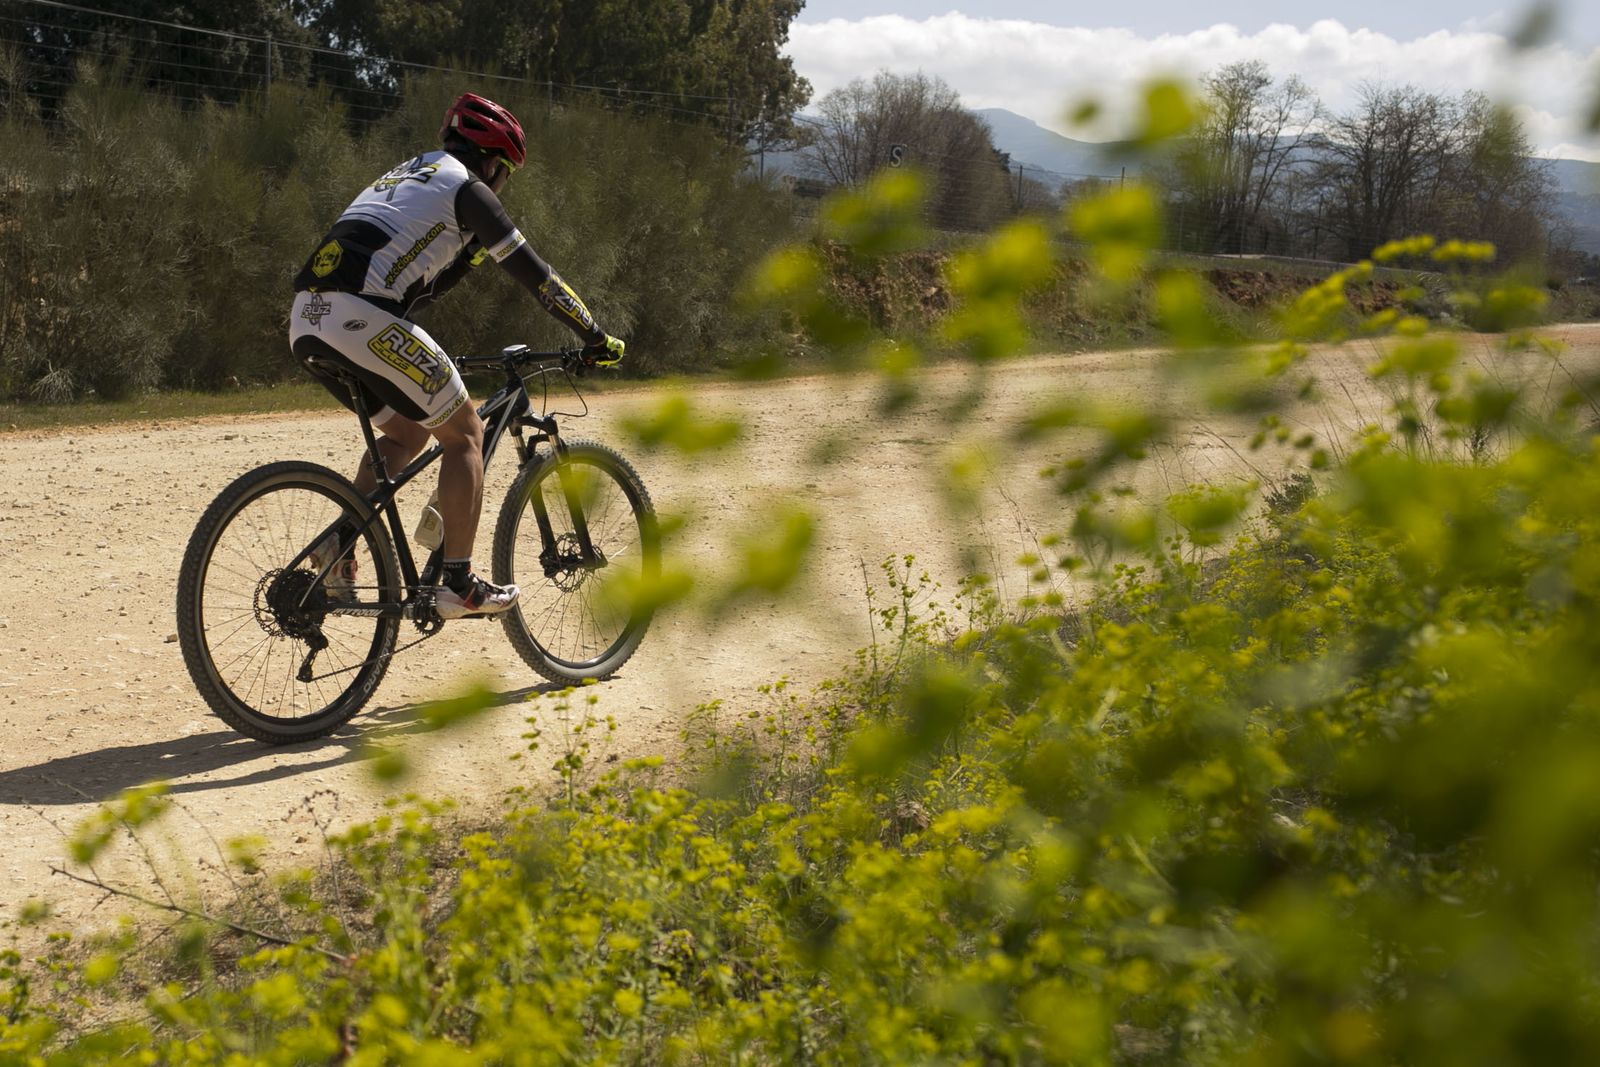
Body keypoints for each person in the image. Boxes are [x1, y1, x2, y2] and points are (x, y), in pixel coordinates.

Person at [287, 92, 625, 619]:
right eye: (506, 174)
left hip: (307, 321)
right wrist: (594, 335)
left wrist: (466, 260)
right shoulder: (470, 191)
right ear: (493, 162)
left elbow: (419, 288)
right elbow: (538, 278)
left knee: (407, 432)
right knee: (466, 432)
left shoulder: (410, 174)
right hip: (360, 317)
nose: (502, 185)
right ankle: (458, 584)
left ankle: (338, 544)